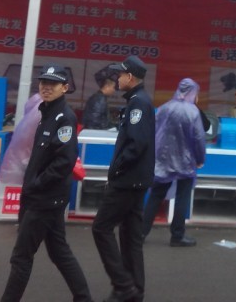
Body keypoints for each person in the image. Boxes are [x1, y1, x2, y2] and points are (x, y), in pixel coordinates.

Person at [0, 65, 94, 302]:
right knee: (59, 251)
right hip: (43, 196)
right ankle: (84, 298)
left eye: (53, 84)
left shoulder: (64, 117)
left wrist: (36, 184)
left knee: (21, 257)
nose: (47, 87)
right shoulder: (46, 112)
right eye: (44, 82)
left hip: (44, 198)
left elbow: (64, 162)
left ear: (65, 87)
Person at [92, 55, 155, 302]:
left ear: (130, 77)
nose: (116, 78)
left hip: (128, 180)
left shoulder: (138, 104)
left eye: (120, 74)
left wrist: (116, 170)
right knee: (130, 236)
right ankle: (135, 290)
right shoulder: (139, 101)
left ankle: (123, 285)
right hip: (136, 180)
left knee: (101, 228)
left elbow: (136, 145)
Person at [142, 77, 206, 247]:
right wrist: (200, 159)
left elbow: (153, 131)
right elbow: (199, 138)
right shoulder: (193, 112)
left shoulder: (164, 108)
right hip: (185, 161)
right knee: (182, 197)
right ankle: (177, 235)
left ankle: (140, 233)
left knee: (155, 196)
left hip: (162, 160)